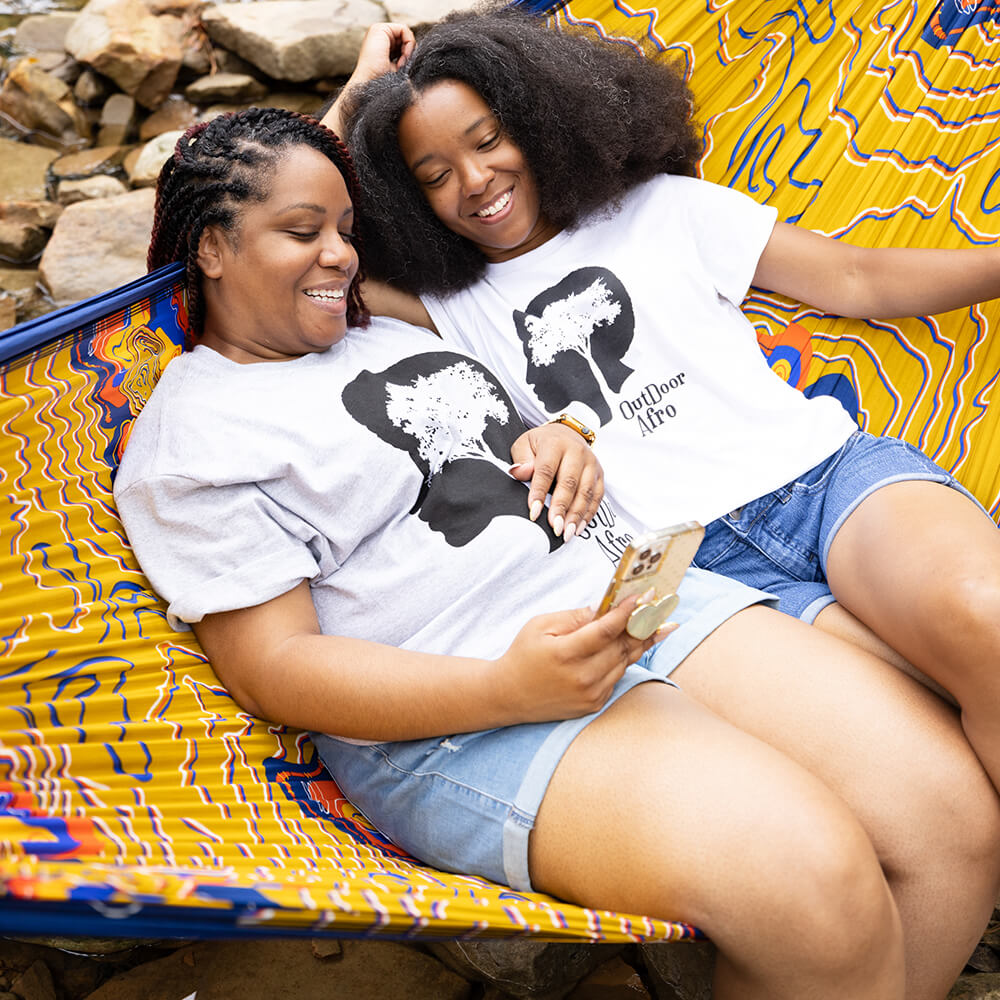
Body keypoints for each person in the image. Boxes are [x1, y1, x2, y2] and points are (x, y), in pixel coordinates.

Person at [113, 106, 1000, 1000]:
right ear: (212, 248)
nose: (341, 255)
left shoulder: (385, 327)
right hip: (462, 709)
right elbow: (273, 669)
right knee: (816, 884)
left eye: (346, 230)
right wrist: (505, 688)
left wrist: (561, 441)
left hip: (633, 603)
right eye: (302, 233)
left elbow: (508, 431)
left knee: (954, 825)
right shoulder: (197, 438)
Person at [325, 8, 1000, 801]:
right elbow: (275, 238)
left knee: (983, 619)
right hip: (695, 569)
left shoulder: (662, 207)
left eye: (486, 141)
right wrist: (357, 97)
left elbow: (859, 280)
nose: (474, 182)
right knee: (917, 710)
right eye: (433, 175)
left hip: (827, 484)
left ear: (537, 120)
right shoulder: (444, 305)